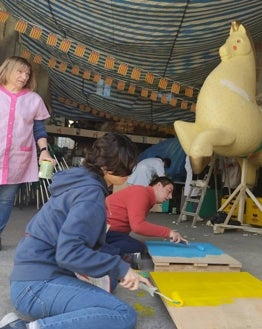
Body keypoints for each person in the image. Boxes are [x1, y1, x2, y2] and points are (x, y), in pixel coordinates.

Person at [0, 132, 153, 329]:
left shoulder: (80, 181)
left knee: (110, 281)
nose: (130, 174)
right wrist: (122, 268)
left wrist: (119, 270)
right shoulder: (90, 195)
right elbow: (69, 253)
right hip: (36, 285)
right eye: (128, 168)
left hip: (33, 275)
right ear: (106, 168)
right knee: (123, 315)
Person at [0, 56, 55, 251]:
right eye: (20, 72)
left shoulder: (33, 99)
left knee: (6, 201)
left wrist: (44, 151)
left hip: (17, 158)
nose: (24, 77)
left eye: (27, 74)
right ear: (8, 69)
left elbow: (39, 130)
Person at [105, 176, 187, 266]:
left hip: (110, 231)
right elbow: (138, 226)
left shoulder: (145, 195)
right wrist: (168, 232)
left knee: (137, 246)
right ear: (159, 185)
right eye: (169, 191)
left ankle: (103, 251)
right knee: (136, 247)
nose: (170, 197)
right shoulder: (141, 193)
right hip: (104, 231)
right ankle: (98, 254)